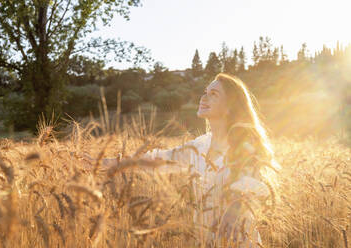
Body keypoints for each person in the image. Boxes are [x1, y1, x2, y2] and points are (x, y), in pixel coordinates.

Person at [102, 73, 281, 247]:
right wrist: (111, 162)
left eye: (214, 94)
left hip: (238, 240)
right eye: (205, 92)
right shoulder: (201, 144)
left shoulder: (245, 143)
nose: (204, 98)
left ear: (229, 107)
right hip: (206, 240)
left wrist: (235, 208)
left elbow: (254, 184)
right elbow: (160, 159)